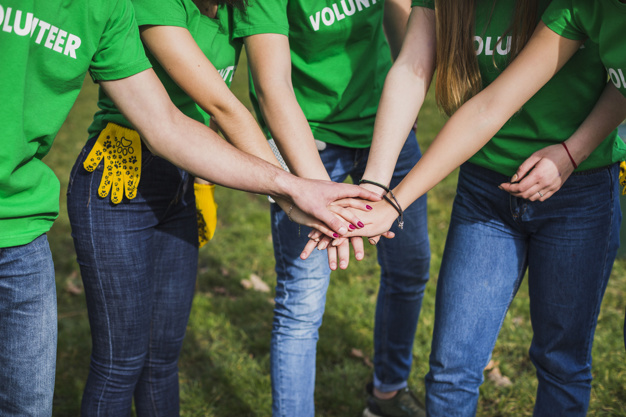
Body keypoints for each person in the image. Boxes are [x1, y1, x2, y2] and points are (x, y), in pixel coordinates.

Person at [0, 1, 379, 415]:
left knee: (163, 360)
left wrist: (299, 197)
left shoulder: (243, 7)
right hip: (120, 178)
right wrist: (293, 193)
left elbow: (260, 97)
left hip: (182, 179)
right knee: (120, 362)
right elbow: (222, 108)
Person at [304, 0, 626, 415]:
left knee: (561, 362)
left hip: (578, 195)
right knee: (451, 369)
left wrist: (573, 152)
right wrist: (377, 189)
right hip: (485, 191)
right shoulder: (582, 7)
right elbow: (461, 95)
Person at [233, 1, 431, 416]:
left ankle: (388, 394)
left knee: (409, 267)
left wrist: (406, 105)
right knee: (302, 302)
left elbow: (404, 20)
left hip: (384, 130)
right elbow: (273, 89)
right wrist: (317, 190)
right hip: (309, 140)